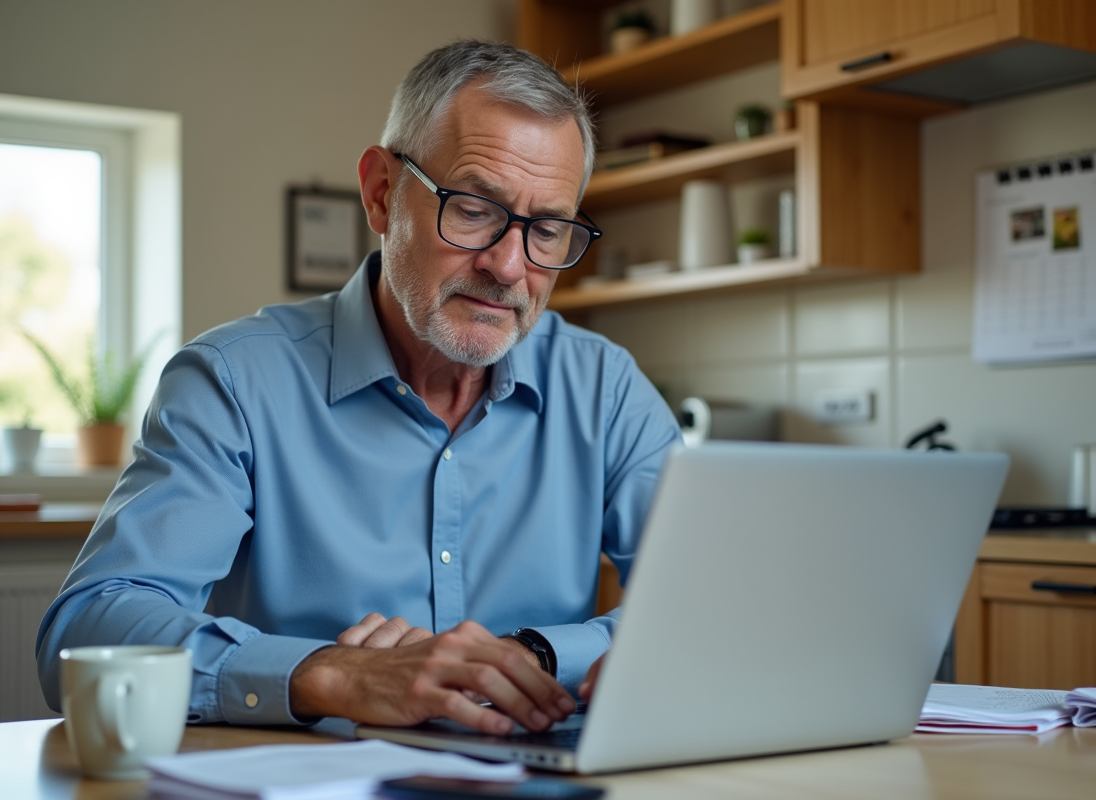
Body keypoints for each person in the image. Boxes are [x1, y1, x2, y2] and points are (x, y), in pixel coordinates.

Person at [36, 40, 680, 736]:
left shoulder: (605, 388)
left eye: (547, 229)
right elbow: (87, 632)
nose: (508, 264)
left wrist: (536, 655)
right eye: (472, 209)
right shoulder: (233, 382)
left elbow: (713, 602)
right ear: (380, 194)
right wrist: (331, 675)